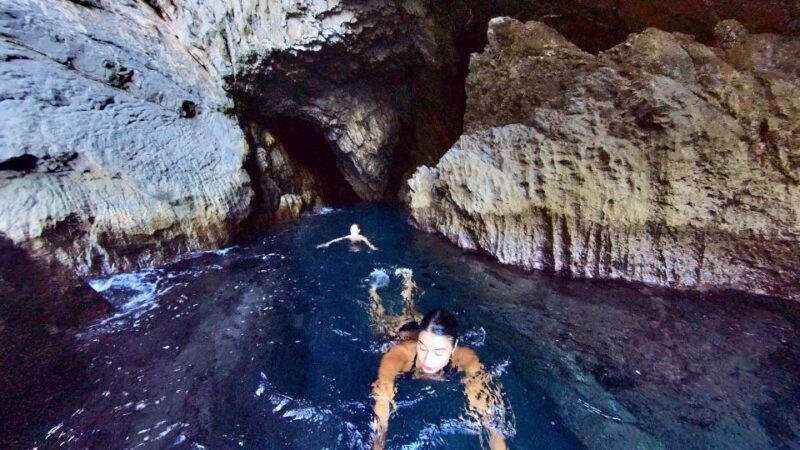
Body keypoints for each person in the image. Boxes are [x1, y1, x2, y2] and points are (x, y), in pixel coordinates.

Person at [369, 309, 509, 450]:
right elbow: (382, 396)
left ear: (453, 347)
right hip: (398, 334)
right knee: (382, 326)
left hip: (424, 333)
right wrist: (377, 445)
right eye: (422, 348)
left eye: (439, 352)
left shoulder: (465, 359)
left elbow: (486, 404)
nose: (428, 360)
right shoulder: (398, 355)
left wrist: (498, 444)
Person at [368, 268, 421, 340]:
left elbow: (375, 331)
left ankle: (373, 290)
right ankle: (408, 279)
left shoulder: (393, 331)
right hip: (401, 325)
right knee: (409, 308)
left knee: (380, 317)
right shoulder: (394, 330)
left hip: (401, 325)